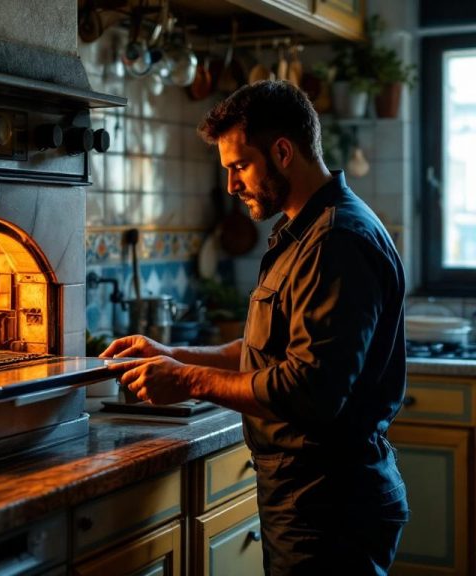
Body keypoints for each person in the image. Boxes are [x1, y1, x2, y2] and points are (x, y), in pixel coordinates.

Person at [101, 80, 409, 576]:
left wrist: (186, 380)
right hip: (310, 496)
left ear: (283, 152)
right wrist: (174, 354)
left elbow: (309, 390)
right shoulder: (303, 232)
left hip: (329, 503)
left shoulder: (335, 240)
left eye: (239, 166)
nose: (231, 185)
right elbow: (268, 349)